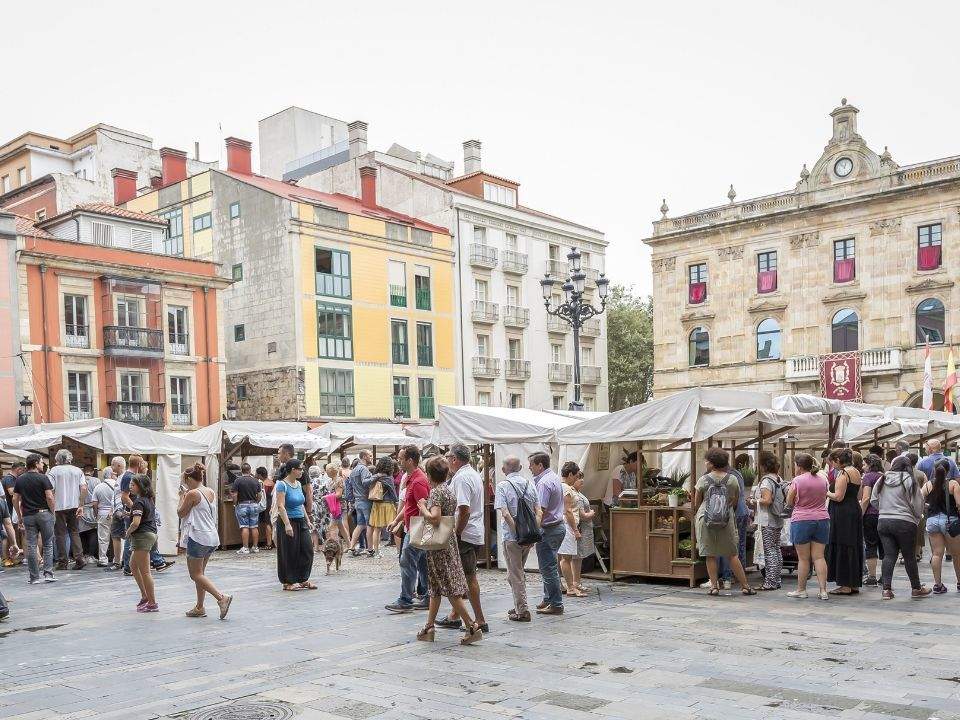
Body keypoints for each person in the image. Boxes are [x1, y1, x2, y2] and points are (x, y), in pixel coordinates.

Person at [415, 456, 482, 646]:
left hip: (439, 547)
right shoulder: (449, 490)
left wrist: (422, 507)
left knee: (449, 587)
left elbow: (435, 518)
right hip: (448, 541)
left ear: (429, 474)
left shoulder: (436, 493)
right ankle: (429, 626)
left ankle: (471, 625)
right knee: (436, 587)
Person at [435, 444, 488, 632]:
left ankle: (479, 619)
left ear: (455, 459)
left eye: (448, 456)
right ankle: (454, 615)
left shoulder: (462, 478)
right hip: (473, 531)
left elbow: (464, 510)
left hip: (465, 533)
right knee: (463, 576)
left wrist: (456, 533)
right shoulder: (470, 474)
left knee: (468, 576)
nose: (447, 460)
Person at [694, 448, 755, 596]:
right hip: (726, 519)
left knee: (710, 554)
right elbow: (734, 501)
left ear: (712, 463)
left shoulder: (703, 480)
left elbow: (697, 502)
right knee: (732, 554)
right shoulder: (732, 479)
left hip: (706, 518)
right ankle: (745, 586)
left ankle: (714, 587)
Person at [871, 456, 931, 599]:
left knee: (889, 555)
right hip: (905, 522)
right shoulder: (909, 480)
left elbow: (874, 500)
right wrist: (917, 517)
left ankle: (886, 590)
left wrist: (884, 510)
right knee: (909, 556)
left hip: (884, 522)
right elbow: (918, 503)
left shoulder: (882, 478)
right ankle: (916, 588)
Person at [177, 464, 232, 619]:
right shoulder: (210, 491)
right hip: (211, 536)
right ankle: (200, 606)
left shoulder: (192, 494)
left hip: (198, 536)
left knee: (195, 574)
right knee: (200, 574)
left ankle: (221, 598)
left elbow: (180, 512)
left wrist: (181, 495)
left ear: (188, 479)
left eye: (184, 480)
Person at [495, 455, 542, 622]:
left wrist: (517, 533)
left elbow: (506, 513)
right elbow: (539, 511)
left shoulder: (502, 486)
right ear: (520, 468)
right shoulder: (530, 484)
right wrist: (532, 532)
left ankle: (522, 610)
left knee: (515, 574)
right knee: (515, 573)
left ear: (503, 470)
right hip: (529, 536)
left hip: (512, 536)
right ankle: (519, 603)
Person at [385, 445, 430, 613]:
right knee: (422, 563)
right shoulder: (413, 478)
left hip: (417, 527)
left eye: (401, 459)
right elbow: (409, 505)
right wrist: (397, 520)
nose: (399, 462)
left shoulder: (418, 480)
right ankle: (426, 596)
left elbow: (422, 506)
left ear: (410, 460)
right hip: (414, 526)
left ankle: (405, 599)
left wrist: (416, 530)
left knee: (406, 560)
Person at [786, 453, 830, 600]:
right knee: (819, 556)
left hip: (801, 520)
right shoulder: (823, 479)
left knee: (804, 558)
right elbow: (825, 496)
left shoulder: (797, 480)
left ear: (799, 466)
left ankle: (801, 590)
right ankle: (823, 590)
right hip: (822, 519)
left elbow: (789, 501)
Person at [530, 451, 566, 615]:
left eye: (532, 464)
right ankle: (548, 598)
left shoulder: (544, 483)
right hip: (557, 526)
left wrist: (533, 531)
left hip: (549, 528)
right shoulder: (553, 477)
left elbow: (541, 510)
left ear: (540, 465)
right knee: (549, 565)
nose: (530, 467)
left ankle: (556, 603)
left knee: (548, 567)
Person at [825, 448, 864, 595]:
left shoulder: (843, 473)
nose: (831, 464)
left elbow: (838, 496)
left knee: (842, 543)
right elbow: (859, 495)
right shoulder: (856, 471)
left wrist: (825, 491)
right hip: (853, 509)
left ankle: (845, 584)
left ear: (838, 460)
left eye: (833, 461)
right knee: (853, 545)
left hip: (842, 513)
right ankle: (853, 583)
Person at [13, 454, 56, 584]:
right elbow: (49, 496)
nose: (43, 465)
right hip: (44, 513)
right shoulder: (43, 478)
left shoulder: (20, 479)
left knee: (31, 545)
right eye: (42, 462)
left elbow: (15, 499)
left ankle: (34, 577)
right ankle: (48, 574)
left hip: (28, 515)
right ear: (36, 463)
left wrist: (19, 516)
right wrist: (52, 512)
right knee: (48, 544)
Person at [274, 459, 316, 591]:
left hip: (300, 520)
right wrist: (287, 524)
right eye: (301, 469)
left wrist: (307, 520)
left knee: (307, 550)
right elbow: (280, 505)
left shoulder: (298, 483)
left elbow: (300, 504)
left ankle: (303, 578)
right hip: (288, 520)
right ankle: (288, 581)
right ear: (293, 470)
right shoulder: (282, 484)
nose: (302, 471)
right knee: (289, 551)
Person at [921, 459, 960, 594]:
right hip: (950, 521)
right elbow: (959, 503)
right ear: (949, 470)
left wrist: (927, 507)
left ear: (934, 469)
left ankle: (938, 585)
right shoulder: (953, 484)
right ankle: (959, 583)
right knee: (956, 555)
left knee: (937, 554)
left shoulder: (928, 485)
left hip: (932, 521)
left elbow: (919, 499)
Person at [48, 449, 87, 571]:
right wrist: (81, 505)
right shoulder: (77, 470)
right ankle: (79, 559)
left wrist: (51, 507)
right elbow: (84, 488)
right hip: (74, 505)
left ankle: (62, 562)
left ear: (58, 459)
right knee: (74, 532)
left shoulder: (53, 471)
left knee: (60, 534)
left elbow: (50, 490)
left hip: (58, 506)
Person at [126, 474, 159, 612]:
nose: (130, 487)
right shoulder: (148, 500)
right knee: (133, 566)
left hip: (142, 536)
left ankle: (152, 603)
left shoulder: (139, 502)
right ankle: (145, 596)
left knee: (145, 572)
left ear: (140, 486)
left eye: (133, 485)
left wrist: (127, 532)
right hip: (150, 534)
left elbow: (136, 522)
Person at [753, 452, 785, 591]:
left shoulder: (766, 481)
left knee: (770, 550)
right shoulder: (778, 478)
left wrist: (754, 501)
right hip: (778, 518)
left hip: (767, 520)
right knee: (776, 549)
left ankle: (770, 581)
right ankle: (776, 579)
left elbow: (767, 500)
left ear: (763, 466)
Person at [559, 461, 586, 597]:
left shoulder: (563, 487)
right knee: (567, 557)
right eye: (576, 476)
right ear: (570, 474)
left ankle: (569, 586)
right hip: (568, 525)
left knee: (566, 557)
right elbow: (568, 511)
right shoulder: (567, 489)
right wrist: (575, 530)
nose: (577, 478)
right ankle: (570, 587)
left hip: (566, 524)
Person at [859, 453, 885, 587]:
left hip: (871, 515)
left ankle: (872, 576)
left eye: (864, 464)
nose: (863, 467)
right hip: (885, 514)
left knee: (871, 545)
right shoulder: (884, 476)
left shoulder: (868, 477)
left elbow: (866, 498)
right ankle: (885, 576)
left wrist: (860, 514)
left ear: (870, 465)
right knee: (885, 546)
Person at [367, 456, 399, 558]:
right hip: (388, 504)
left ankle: (376, 552)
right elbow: (393, 494)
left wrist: (376, 476)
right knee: (395, 528)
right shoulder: (389, 478)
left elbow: (365, 483)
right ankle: (399, 552)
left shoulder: (376, 476)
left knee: (377, 529)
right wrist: (397, 503)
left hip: (376, 504)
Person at [346, 450, 373, 556]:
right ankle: (370, 549)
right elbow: (365, 483)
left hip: (357, 501)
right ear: (365, 457)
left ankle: (351, 548)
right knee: (369, 524)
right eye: (370, 456)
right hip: (365, 500)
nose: (371, 458)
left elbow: (350, 488)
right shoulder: (363, 469)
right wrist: (376, 477)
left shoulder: (353, 470)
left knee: (360, 525)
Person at [232, 462, 262, 555]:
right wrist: (256, 502)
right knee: (254, 526)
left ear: (242, 471)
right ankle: (255, 547)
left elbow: (235, 494)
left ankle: (245, 548)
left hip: (242, 505)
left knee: (244, 526)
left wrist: (235, 503)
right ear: (250, 470)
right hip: (254, 504)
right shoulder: (256, 481)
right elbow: (259, 495)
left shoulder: (238, 481)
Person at [92, 467, 118, 567]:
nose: (116, 476)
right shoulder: (117, 486)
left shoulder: (98, 487)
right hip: (116, 514)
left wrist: (96, 514)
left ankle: (103, 559)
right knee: (117, 537)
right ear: (111, 475)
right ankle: (117, 558)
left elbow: (94, 503)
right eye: (115, 474)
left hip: (102, 514)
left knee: (103, 538)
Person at [78, 465, 99, 563]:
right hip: (92, 508)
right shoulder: (97, 481)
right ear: (92, 471)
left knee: (82, 533)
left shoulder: (79, 480)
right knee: (93, 532)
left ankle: (84, 554)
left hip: (81, 508)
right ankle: (91, 555)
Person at [323, 462, 347, 542]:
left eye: (327, 470)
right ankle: (349, 545)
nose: (326, 472)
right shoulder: (332, 480)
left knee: (331, 527)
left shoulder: (338, 480)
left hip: (338, 507)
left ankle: (334, 546)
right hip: (334, 506)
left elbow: (339, 494)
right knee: (341, 527)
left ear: (331, 471)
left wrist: (326, 497)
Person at [257, 466, 275, 550]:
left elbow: (261, 496)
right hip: (273, 503)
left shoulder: (264, 484)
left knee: (267, 523)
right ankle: (273, 541)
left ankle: (269, 543)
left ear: (260, 475)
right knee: (271, 523)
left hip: (267, 505)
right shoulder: (272, 482)